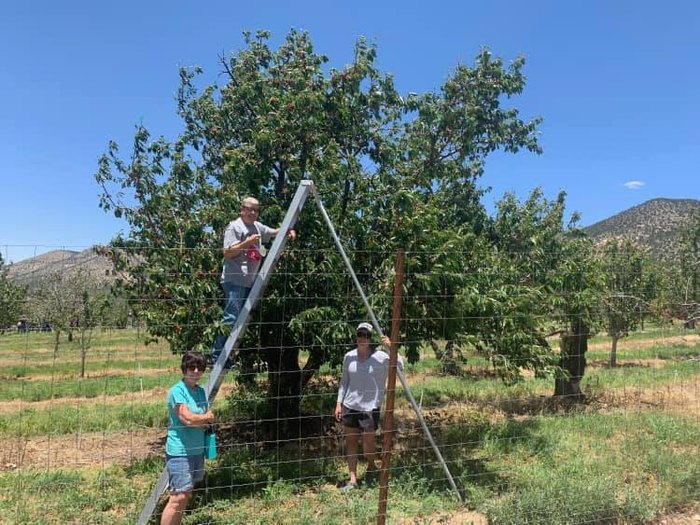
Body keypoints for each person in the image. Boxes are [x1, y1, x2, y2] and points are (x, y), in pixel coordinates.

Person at [211, 196, 296, 365]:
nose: (252, 212)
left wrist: (287, 230)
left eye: (256, 209)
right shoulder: (234, 227)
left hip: (249, 282)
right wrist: (246, 243)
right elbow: (227, 253)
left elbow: (273, 232)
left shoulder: (257, 226)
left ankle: (228, 357)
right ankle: (216, 356)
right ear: (242, 209)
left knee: (241, 321)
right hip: (234, 281)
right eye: (249, 209)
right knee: (230, 318)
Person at [335, 322, 403, 491]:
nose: (362, 338)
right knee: (351, 442)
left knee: (368, 444)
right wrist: (339, 403)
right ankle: (352, 479)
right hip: (350, 405)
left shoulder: (380, 357)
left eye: (366, 335)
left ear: (371, 338)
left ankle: (371, 466)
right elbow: (345, 381)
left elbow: (400, 366)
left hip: (370, 407)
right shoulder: (349, 356)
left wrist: (391, 348)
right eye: (360, 335)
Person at [161, 351, 215, 525]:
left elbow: (199, 419)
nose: (196, 371)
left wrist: (200, 420)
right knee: (178, 496)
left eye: (200, 367)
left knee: (186, 494)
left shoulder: (200, 392)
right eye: (192, 366)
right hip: (180, 451)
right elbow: (187, 418)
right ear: (184, 368)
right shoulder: (177, 391)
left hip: (196, 449)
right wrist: (205, 418)